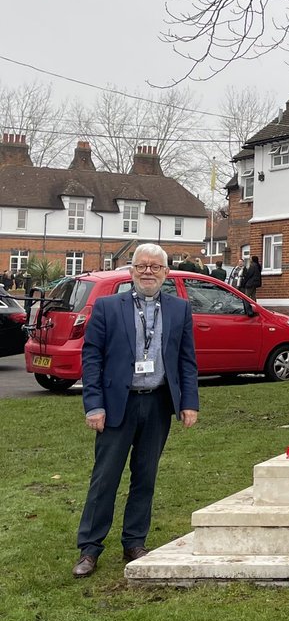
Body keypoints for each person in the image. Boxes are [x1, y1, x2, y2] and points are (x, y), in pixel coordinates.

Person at [72, 243, 198, 577]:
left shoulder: (179, 310)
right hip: (117, 405)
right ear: (131, 271)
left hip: (157, 403)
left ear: (165, 273)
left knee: (145, 477)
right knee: (105, 478)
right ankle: (89, 548)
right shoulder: (107, 307)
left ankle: (134, 542)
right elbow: (92, 358)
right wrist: (94, 405)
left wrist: (188, 402)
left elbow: (187, 360)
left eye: (155, 267)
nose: (148, 272)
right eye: (142, 266)